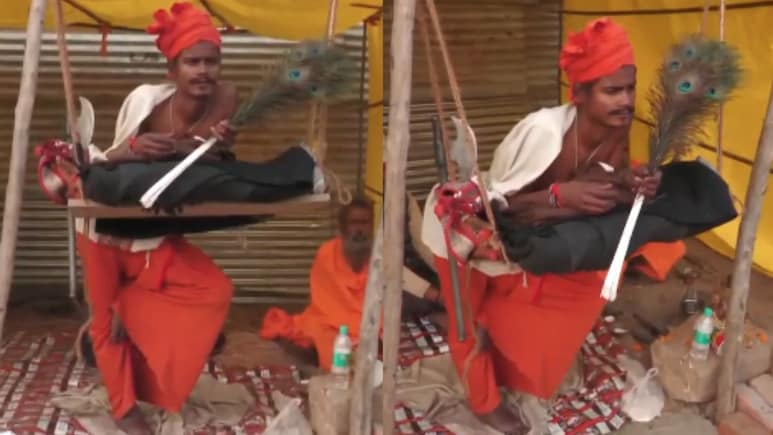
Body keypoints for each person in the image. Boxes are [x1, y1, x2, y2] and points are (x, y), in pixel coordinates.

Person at [421, 17, 686, 433]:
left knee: (572, 289)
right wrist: (561, 196)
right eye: (611, 90)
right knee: (464, 321)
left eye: (630, 88)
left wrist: (626, 182)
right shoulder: (544, 133)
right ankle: (483, 401)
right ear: (578, 93)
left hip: (520, 240)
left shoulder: (617, 126)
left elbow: (601, 176)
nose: (625, 101)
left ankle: (500, 354)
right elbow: (493, 208)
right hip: (464, 231)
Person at [74, 3, 241, 433]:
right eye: (192, 62)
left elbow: (203, 163)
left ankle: (130, 311)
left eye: (211, 61)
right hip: (105, 230)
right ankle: (125, 409)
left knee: (213, 288)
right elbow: (103, 165)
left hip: (152, 234)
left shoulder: (226, 98)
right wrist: (132, 148)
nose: (203, 71)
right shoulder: (146, 100)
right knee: (103, 325)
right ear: (173, 69)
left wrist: (220, 146)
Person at [260, 196, 444, 371]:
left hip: (369, 323)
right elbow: (324, 304)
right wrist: (347, 328)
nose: (359, 230)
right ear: (343, 227)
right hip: (329, 323)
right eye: (353, 223)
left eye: (364, 223)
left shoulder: (380, 253)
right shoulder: (326, 254)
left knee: (384, 346)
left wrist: (438, 296)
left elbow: (404, 278)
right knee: (331, 346)